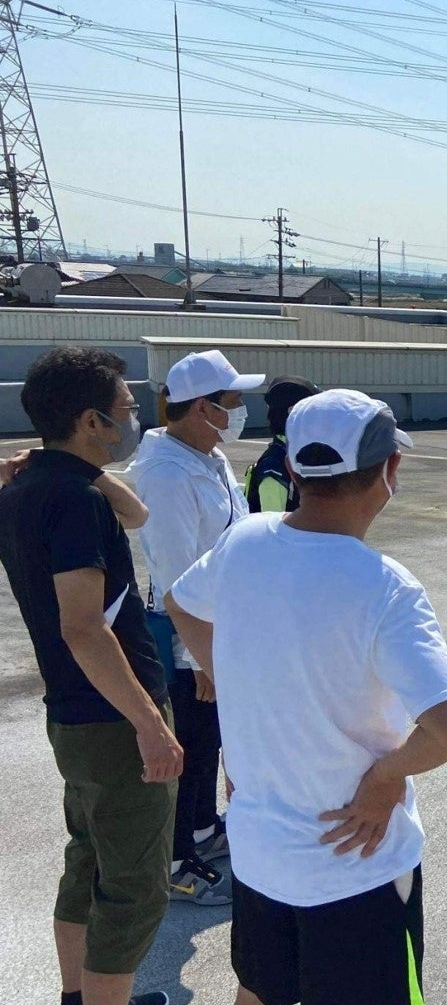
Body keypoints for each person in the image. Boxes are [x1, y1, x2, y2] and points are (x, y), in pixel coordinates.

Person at [167, 389, 447, 1005]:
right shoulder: (386, 586)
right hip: (354, 864)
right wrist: (385, 776)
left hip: (260, 852)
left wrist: (233, 687)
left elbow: (181, 602)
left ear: (294, 470)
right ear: (389, 470)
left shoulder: (245, 540)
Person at [0, 347, 184, 1005]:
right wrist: (150, 724)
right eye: (125, 410)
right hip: (113, 719)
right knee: (133, 889)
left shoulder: (38, 486)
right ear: (90, 420)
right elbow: (83, 626)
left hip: (75, 717)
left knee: (88, 864)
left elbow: (138, 513)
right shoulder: (72, 500)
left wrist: (72, 464)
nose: (133, 419)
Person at [130, 349, 266, 910]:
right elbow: (175, 577)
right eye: (232, 400)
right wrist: (199, 657)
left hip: (222, 629)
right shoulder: (165, 474)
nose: (240, 410)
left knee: (209, 738)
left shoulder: (209, 456)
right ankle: (176, 861)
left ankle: (204, 828)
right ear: (202, 408)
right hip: (190, 637)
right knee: (188, 744)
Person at [243, 379, 319, 515]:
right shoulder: (274, 466)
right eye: (313, 410)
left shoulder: (297, 453)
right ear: (294, 412)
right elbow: (273, 524)